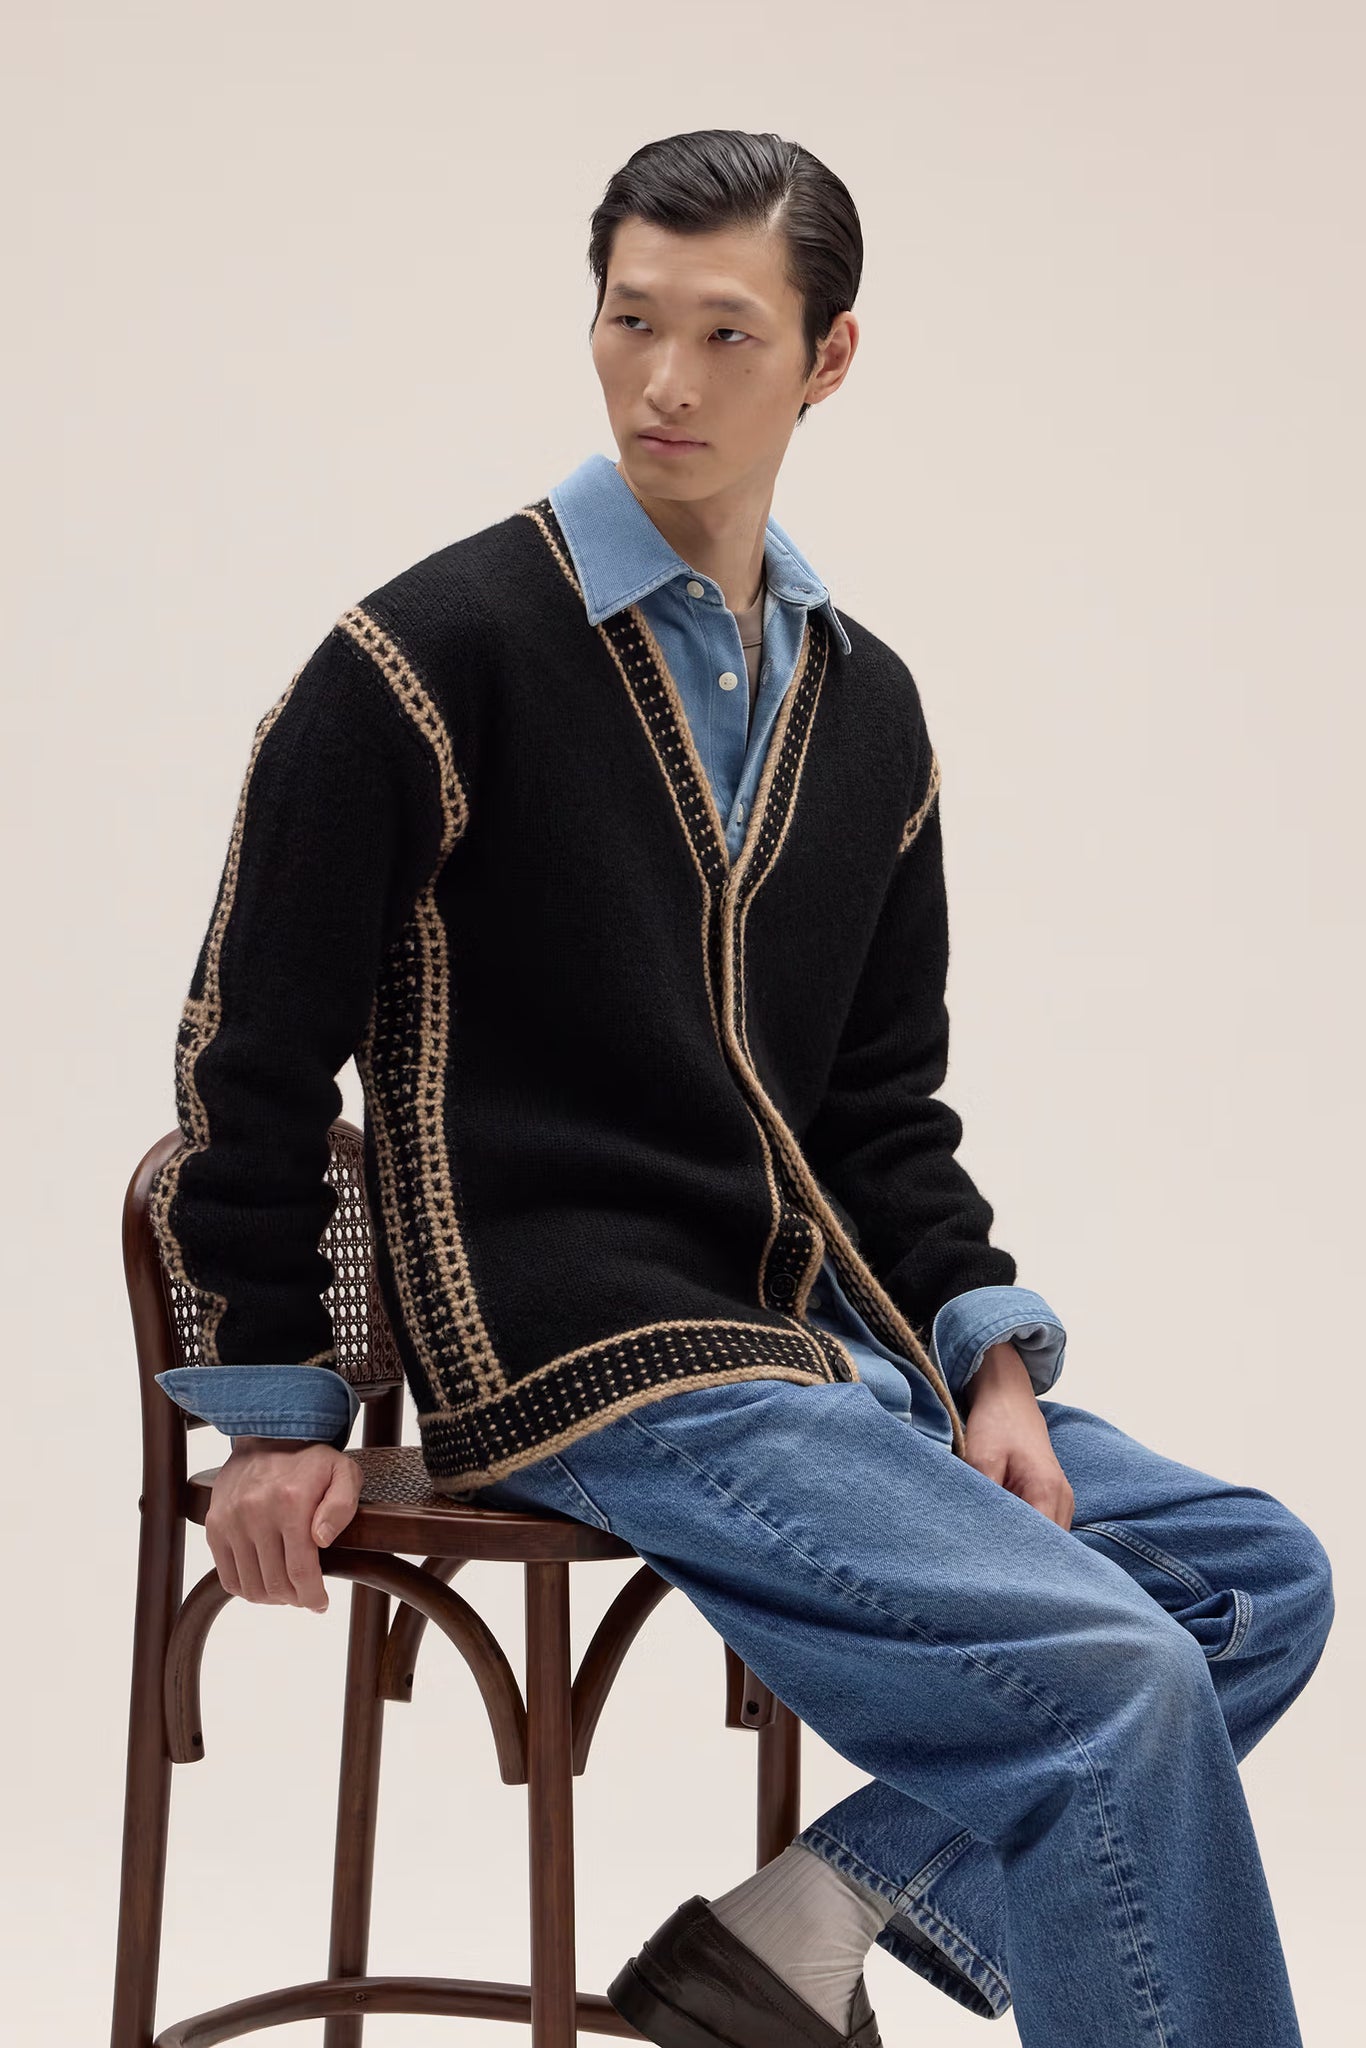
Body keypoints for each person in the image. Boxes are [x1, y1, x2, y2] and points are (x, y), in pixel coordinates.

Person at [150, 129, 1333, 2047]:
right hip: (587, 1352)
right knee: (1110, 1679)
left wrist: (985, 1360)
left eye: (723, 333)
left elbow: (880, 1108)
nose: (665, 382)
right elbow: (247, 1045)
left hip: (821, 1351)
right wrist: (278, 1402)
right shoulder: (428, 657)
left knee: (1244, 1580)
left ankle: (799, 1927)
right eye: (630, 322)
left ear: (827, 357)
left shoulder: (864, 708)